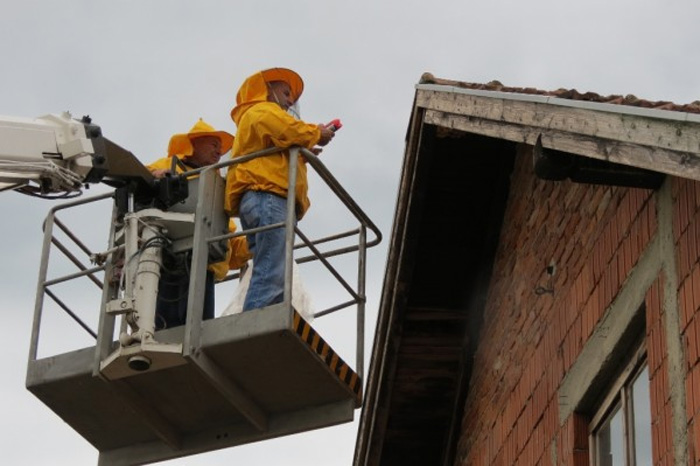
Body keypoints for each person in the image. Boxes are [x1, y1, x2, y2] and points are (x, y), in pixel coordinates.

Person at [225, 68, 335, 312]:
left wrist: (302, 151)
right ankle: (256, 323)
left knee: (272, 267)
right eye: (285, 93)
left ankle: (265, 317)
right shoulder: (262, 110)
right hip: (268, 195)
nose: (289, 101)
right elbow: (287, 130)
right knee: (272, 269)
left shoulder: (258, 116)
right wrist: (316, 133)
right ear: (267, 90)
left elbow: (280, 140)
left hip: (264, 197)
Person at [147, 119, 251, 329]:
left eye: (220, 147)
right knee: (165, 330)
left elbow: (227, 241)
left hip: (204, 269)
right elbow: (140, 176)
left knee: (199, 330)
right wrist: (155, 176)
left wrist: (257, 242)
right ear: (193, 144)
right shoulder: (170, 165)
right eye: (214, 145)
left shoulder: (215, 187)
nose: (219, 151)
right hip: (170, 262)